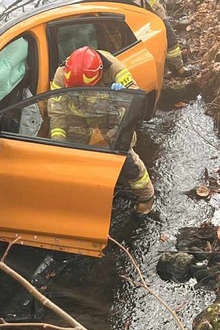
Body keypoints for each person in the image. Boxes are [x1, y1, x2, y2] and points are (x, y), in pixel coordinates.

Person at [49, 46, 156, 214]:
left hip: (106, 112)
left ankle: (146, 197)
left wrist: (121, 96)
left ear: (99, 73)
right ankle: (83, 193)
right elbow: (57, 111)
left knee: (124, 157)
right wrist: (58, 141)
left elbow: (135, 97)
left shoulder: (113, 67)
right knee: (74, 156)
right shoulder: (61, 75)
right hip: (77, 115)